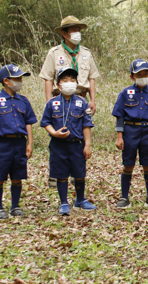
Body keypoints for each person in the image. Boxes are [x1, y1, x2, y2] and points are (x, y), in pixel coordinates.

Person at [39, 16, 100, 187]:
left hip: (81, 98)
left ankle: (77, 172)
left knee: (79, 134)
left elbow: (92, 78)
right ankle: (56, 174)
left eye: (78, 30)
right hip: (59, 98)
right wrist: (48, 102)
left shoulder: (86, 53)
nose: (77, 33)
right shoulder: (55, 53)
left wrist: (93, 100)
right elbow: (48, 78)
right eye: (73, 30)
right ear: (64, 33)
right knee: (58, 135)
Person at [0, 65, 37, 219]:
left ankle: (15, 206)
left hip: (19, 143)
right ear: (6, 81)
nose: (20, 81)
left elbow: (29, 123)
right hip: (2, 144)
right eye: (17, 79)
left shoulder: (23, 101)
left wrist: (30, 143)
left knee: (17, 176)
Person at [41, 67, 96, 215]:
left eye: (72, 80)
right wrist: (54, 133)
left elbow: (86, 124)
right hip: (58, 145)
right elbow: (46, 122)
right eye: (65, 80)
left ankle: (80, 200)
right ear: (58, 84)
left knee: (79, 173)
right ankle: (64, 202)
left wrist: (88, 144)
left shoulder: (82, 102)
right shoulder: (52, 103)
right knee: (61, 174)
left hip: (77, 144)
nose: (69, 83)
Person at [113, 60, 148, 209]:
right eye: (139, 74)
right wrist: (119, 136)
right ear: (132, 77)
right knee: (128, 164)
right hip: (130, 131)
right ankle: (124, 197)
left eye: (145, 74)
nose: (143, 77)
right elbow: (120, 117)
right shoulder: (125, 93)